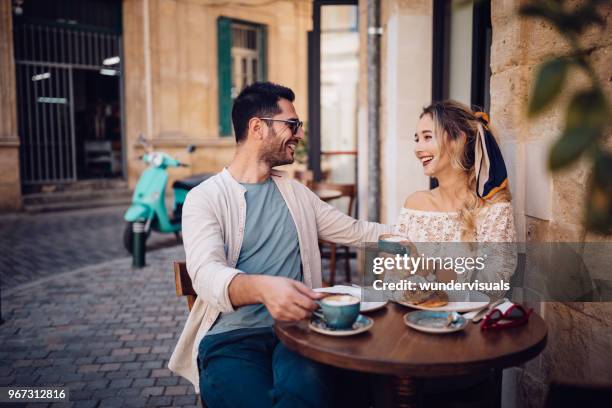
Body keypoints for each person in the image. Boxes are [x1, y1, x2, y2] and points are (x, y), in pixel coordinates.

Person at [168, 82, 392, 408]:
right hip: (231, 340)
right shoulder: (205, 198)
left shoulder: (296, 193)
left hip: (297, 334)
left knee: (309, 396)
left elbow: (358, 231)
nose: (299, 134)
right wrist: (262, 289)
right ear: (257, 127)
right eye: (292, 125)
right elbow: (205, 273)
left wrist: (422, 234)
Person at [395, 100, 516, 290]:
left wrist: (430, 269)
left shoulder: (493, 207)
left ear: (458, 140)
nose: (417, 149)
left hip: (469, 319)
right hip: (411, 317)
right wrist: (389, 266)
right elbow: (392, 282)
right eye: (417, 139)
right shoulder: (414, 204)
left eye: (427, 137)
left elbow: (494, 287)